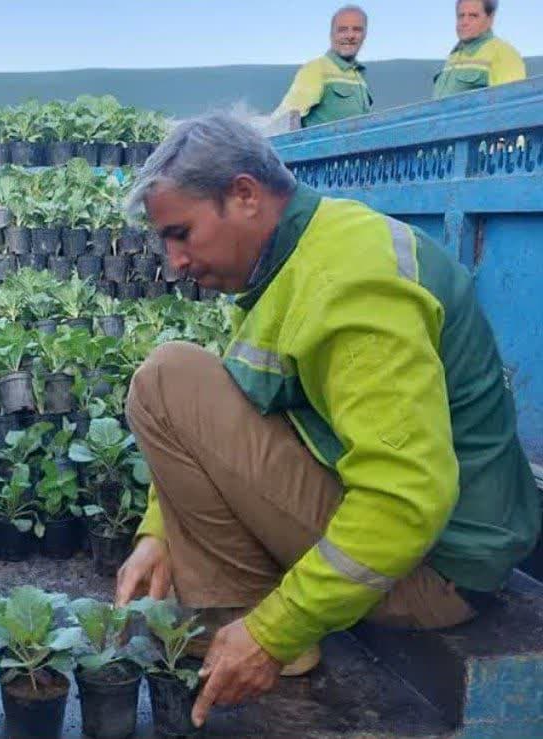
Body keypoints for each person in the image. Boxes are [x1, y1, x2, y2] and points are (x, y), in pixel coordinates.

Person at [115, 113, 539, 728]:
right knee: (178, 381)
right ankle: (243, 617)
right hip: (419, 540)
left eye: (182, 233)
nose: (175, 261)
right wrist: (160, 530)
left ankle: (246, 631)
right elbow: (248, 405)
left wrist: (275, 628)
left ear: (244, 195)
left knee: (166, 377)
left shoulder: (350, 282)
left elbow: (405, 500)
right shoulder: (293, 258)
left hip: (436, 569)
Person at [272, 5, 372, 128]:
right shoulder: (315, 69)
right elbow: (284, 119)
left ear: (365, 34)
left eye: (357, 29)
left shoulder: (359, 75)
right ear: (331, 34)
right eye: (342, 29)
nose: (350, 35)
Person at [434, 0, 526, 99]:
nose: (464, 22)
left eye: (473, 16)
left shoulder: (503, 53)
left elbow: (510, 106)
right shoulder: (453, 56)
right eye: (461, 16)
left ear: (490, 19)